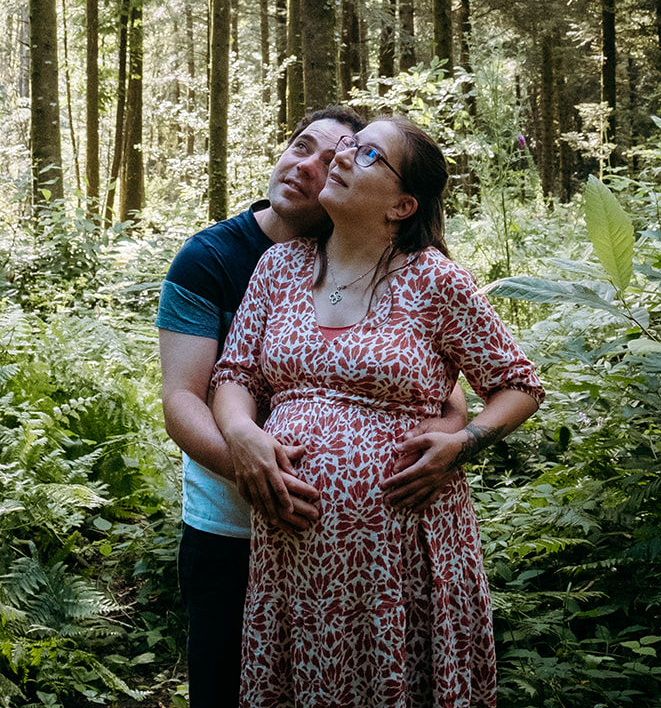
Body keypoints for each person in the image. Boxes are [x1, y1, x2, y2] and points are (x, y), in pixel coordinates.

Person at [211, 115, 544, 708]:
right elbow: (235, 375)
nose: (341, 157)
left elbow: (518, 384)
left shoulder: (436, 282)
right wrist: (240, 431)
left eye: (367, 155)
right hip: (295, 561)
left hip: (403, 554)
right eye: (349, 146)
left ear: (402, 205)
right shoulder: (279, 267)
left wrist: (463, 443)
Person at [157, 107, 468, 708]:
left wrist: (448, 443)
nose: (307, 166)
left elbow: (442, 393)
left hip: (365, 543)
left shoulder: (378, 260)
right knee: (230, 687)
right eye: (301, 146)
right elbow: (182, 397)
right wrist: (252, 465)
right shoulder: (212, 258)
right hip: (233, 529)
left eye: (333, 158)